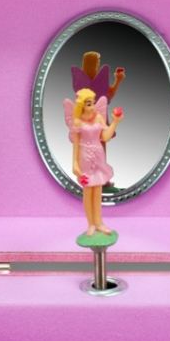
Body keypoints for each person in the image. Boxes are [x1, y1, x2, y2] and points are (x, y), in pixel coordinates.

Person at [63, 88, 123, 236]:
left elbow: (105, 137)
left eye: (93, 102)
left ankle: (99, 222)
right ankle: (90, 224)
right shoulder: (77, 122)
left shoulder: (99, 118)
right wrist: (74, 163)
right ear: (82, 105)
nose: (92, 106)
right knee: (88, 191)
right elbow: (76, 144)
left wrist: (115, 122)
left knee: (98, 191)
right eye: (89, 103)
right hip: (84, 156)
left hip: (98, 155)